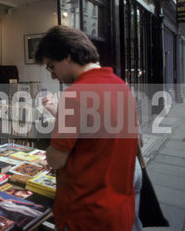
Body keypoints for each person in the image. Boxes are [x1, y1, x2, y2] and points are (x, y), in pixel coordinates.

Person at [34, 25, 140, 231]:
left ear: (67, 56)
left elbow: (56, 159)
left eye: (51, 66)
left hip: (84, 214)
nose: (53, 75)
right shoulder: (121, 86)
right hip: (118, 211)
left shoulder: (76, 95)